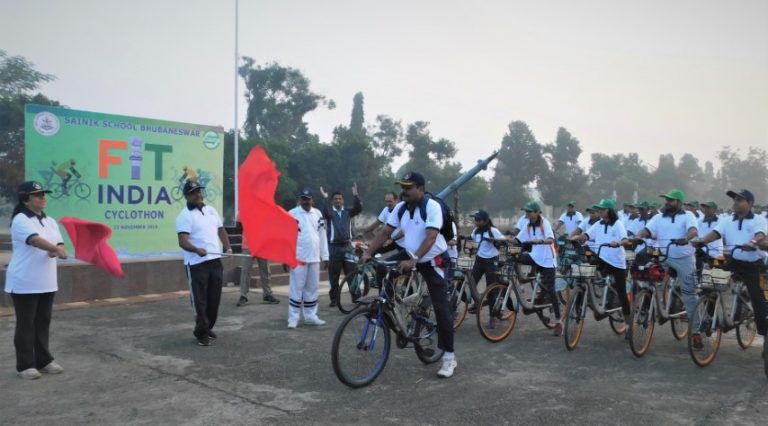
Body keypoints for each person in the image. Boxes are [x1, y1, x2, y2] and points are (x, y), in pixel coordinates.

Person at [362, 172, 457, 378]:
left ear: (421, 189)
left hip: (433, 259)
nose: (404, 191)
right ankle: (392, 309)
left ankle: (449, 357)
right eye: (402, 186)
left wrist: (414, 259)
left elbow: (431, 238)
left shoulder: (431, 207)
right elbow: (385, 233)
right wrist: (370, 251)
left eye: (408, 187)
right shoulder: (400, 208)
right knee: (381, 267)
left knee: (441, 308)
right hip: (410, 254)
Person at [5, 181, 67, 380]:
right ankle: (25, 365)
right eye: (37, 195)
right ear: (26, 199)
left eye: (43, 194)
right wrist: (55, 250)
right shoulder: (21, 219)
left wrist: (58, 250)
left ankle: (44, 360)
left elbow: (60, 244)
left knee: (43, 321)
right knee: (26, 323)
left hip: (46, 280)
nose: (42, 197)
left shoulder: (50, 221)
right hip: (24, 281)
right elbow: (34, 240)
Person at [696, 189, 767, 357]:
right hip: (733, 261)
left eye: (740, 200)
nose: (735, 202)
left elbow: (760, 234)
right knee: (710, 282)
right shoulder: (728, 220)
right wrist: (700, 241)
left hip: (753, 265)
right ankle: (710, 317)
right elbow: (715, 233)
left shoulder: (758, 219)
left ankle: (765, 339)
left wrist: (752, 242)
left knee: (759, 303)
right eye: (734, 199)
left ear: (749, 203)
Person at [634, 189, 699, 347]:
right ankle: (646, 309)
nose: (667, 202)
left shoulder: (688, 216)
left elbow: (693, 231)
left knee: (689, 294)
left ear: (679, 202)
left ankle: (696, 331)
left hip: (684, 258)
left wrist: (685, 238)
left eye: (671, 200)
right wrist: (638, 236)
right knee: (646, 278)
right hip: (663, 257)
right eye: (666, 200)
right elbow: (647, 230)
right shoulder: (658, 217)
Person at [176, 180, 232, 346]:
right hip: (196, 264)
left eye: (200, 191)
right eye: (194, 192)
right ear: (187, 196)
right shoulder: (184, 216)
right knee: (200, 301)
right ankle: (201, 332)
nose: (199, 195)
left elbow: (221, 230)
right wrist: (196, 250)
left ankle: (206, 327)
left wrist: (228, 248)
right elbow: (182, 241)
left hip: (214, 261)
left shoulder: (211, 210)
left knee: (214, 300)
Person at [572, 199, 632, 338]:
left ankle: (629, 324)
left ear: (609, 211)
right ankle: (584, 298)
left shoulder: (618, 224)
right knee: (583, 271)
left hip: (617, 262)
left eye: (602, 210)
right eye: (599, 210)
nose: (599, 212)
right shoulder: (598, 224)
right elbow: (587, 235)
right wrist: (577, 238)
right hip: (601, 258)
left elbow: (625, 239)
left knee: (622, 293)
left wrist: (618, 243)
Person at [513, 201, 562, 336]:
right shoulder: (528, 225)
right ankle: (520, 279)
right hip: (535, 256)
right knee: (514, 257)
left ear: (536, 213)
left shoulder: (544, 223)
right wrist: (501, 239)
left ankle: (559, 321)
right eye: (526, 212)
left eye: (529, 212)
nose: (527, 214)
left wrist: (540, 241)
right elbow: (517, 240)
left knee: (551, 290)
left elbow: (550, 239)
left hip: (547, 260)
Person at [287, 188, 330, 328]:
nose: (306, 201)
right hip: (298, 257)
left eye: (308, 199)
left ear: (312, 200)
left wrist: (325, 256)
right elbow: (287, 237)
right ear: (300, 200)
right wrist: (286, 257)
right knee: (296, 287)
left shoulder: (318, 214)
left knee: (312, 288)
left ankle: (311, 316)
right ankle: (293, 318)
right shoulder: (292, 214)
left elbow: (322, 236)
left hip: (314, 257)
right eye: (303, 199)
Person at [318, 183, 362, 307]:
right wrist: (324, 198)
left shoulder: (348, 212)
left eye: (340, 198)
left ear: (343, 200)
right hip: (333, 248)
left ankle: (356, 297)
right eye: (336, 199)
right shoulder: (330, 213)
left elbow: (358, 208)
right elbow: (323, 211)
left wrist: (356, 195)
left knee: (351, 273)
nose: (338, 200)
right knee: (334, 275)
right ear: (332, 201)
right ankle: (334, 299)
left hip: (348, 247)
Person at [466, 209, 506, 314]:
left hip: (492, 261)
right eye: (475, 219)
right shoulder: (475, 231)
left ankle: (493, 315)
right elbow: (472, 241)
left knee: (491, 290)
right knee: (471, 282)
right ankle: (478, 302)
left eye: (478, 220)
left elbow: (503, 242)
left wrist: (496, 241)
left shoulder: (493, 231)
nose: (476, 221)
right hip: (479, 260)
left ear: (485, 221)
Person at [235, 213, 279, 306]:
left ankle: (267, 295)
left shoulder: (264, 209)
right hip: (248, 245)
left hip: (263, 245)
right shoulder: (244, 209)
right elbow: (239, 226)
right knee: (246, 271)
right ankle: (243, 295)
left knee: (265, 271)